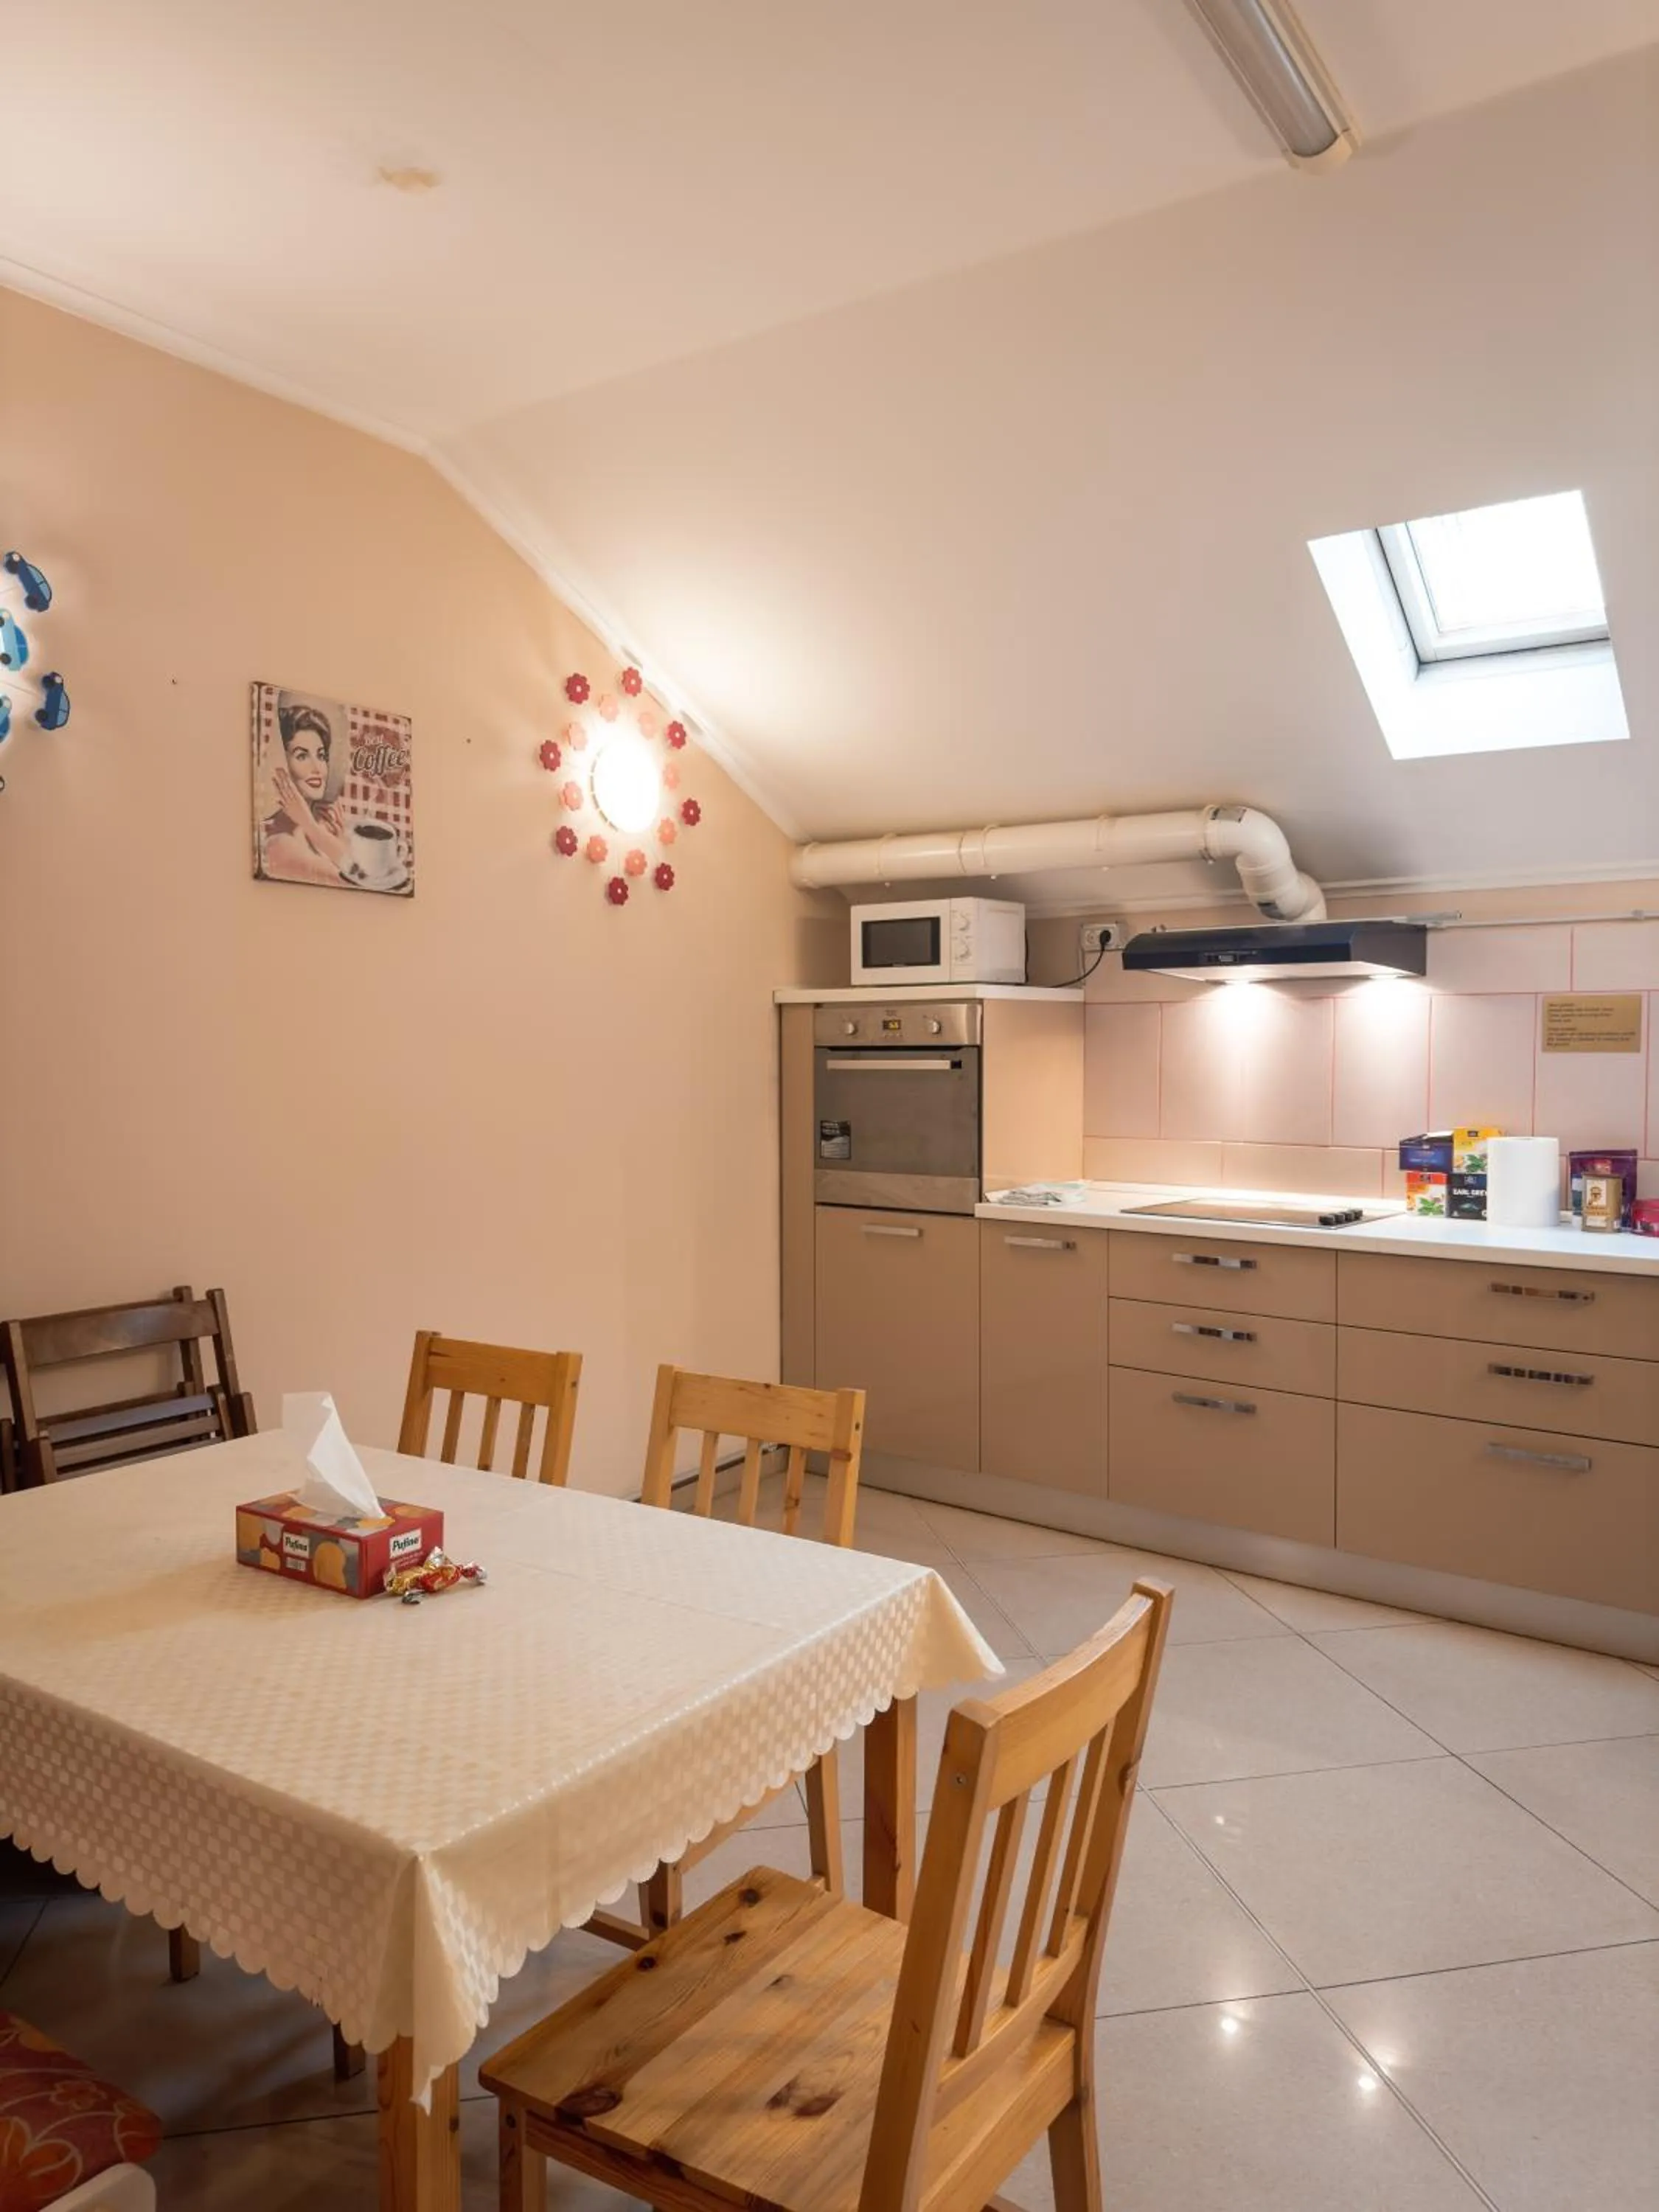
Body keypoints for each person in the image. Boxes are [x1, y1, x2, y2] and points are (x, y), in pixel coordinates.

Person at [262, 699, 353, 884]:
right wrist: (310, 825)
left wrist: (339, 837)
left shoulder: (326, 827)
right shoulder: (279, 843)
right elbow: (354, 881)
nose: (317, 768)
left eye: (321, 756)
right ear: (282, 764)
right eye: (302, 756)